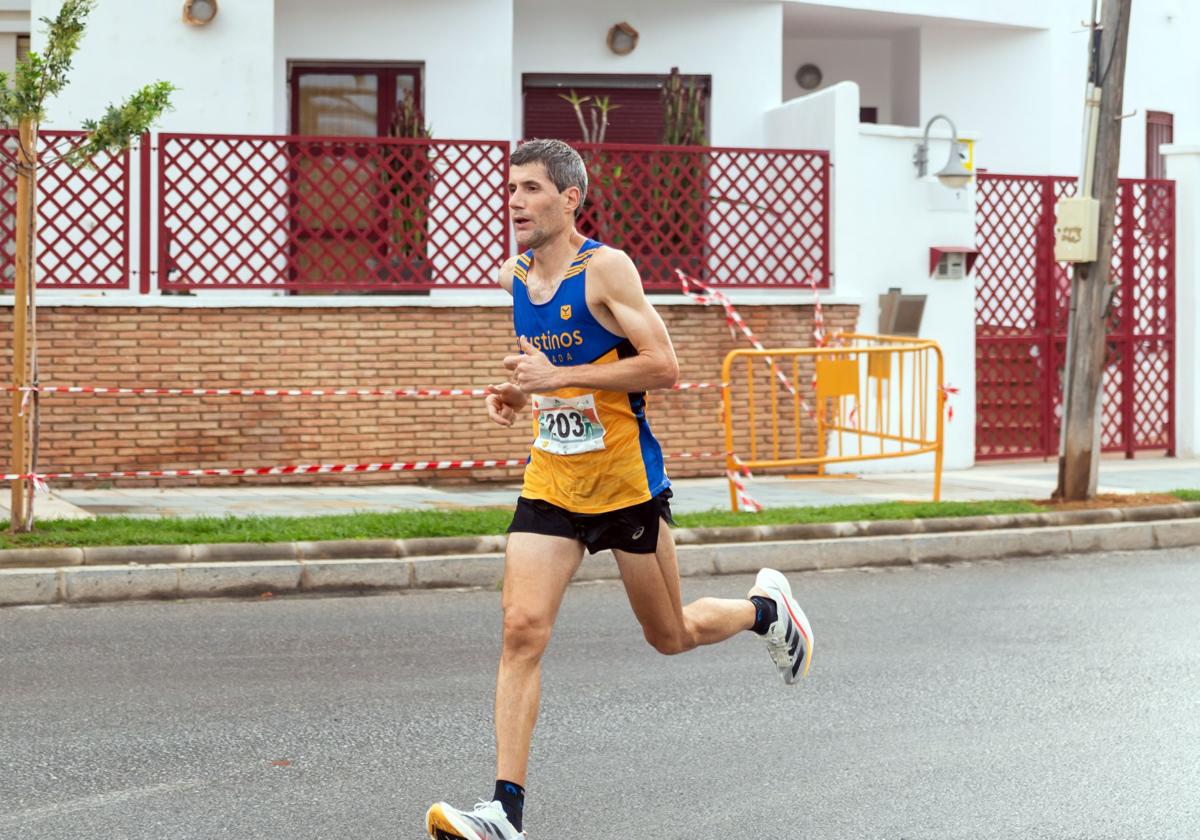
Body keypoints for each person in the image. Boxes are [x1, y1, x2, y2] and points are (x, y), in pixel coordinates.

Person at [425, 139, 813, 840]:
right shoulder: (517, 275)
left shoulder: (606, 269)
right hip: (554, 478)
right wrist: (515, 393)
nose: (515, 200)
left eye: (533, 188)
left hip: (626, 483)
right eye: (511, 187)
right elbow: (547, 369)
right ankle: (502, 814)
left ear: (570, 199)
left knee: (670, 635)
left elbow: (662, 365)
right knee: (520, 630)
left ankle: (766, 611)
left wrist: (558, 382)